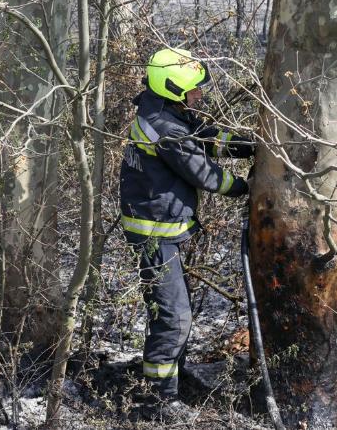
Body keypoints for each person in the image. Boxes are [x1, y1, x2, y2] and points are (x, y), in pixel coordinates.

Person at [119, 47, 253, 420]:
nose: (199, 95)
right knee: (174, 317)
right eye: (193, 90)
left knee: (176, 313)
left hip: (164, 230)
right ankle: (157, 402)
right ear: (173, 87)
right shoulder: (164, 129)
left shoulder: (162, 110)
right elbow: (205, 174)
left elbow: (202, 136)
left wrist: (247, 146)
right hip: (155, 236)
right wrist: (248, 186)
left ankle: (172, 380)